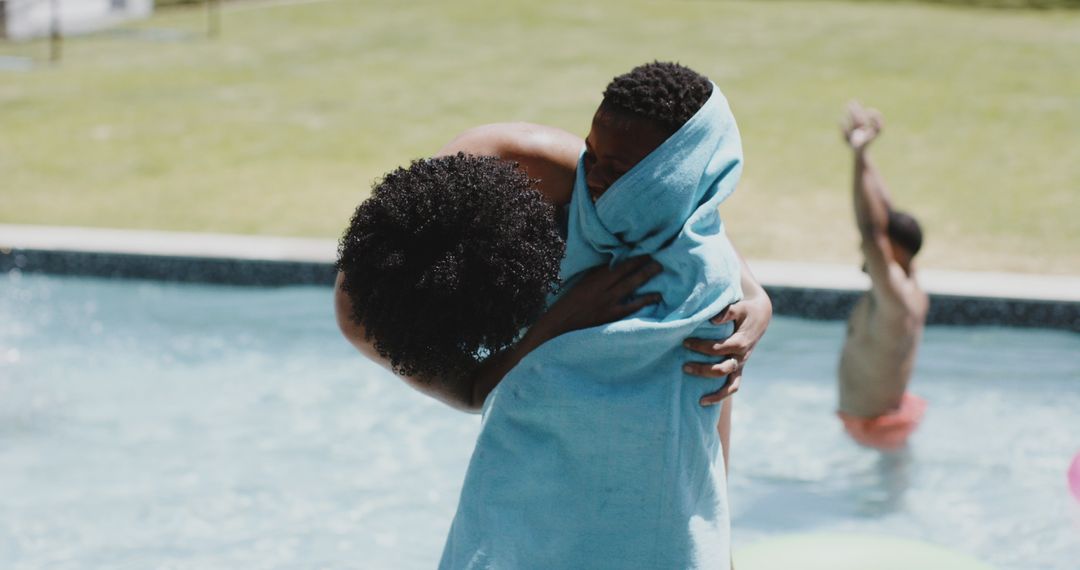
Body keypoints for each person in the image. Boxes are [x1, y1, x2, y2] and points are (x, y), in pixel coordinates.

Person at [439, 61, 749, 569]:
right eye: (591, 154)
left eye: (622, 169)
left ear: (676, 172)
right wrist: (563, 318)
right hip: (523, 523)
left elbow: (708, 427)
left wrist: (720, 544)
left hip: (652, 534)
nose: (595, 177)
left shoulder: (708, 284)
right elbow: (485, 384)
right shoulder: (555, 230)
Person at [836, 101, 929, 452]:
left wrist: (858, 155)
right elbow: (885, 219)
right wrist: (864, 156)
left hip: (873, 432)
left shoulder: (895, 296)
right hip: (886, 418)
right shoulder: (909, 280)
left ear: (896, 252)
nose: (868, 257)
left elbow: (872, 232)